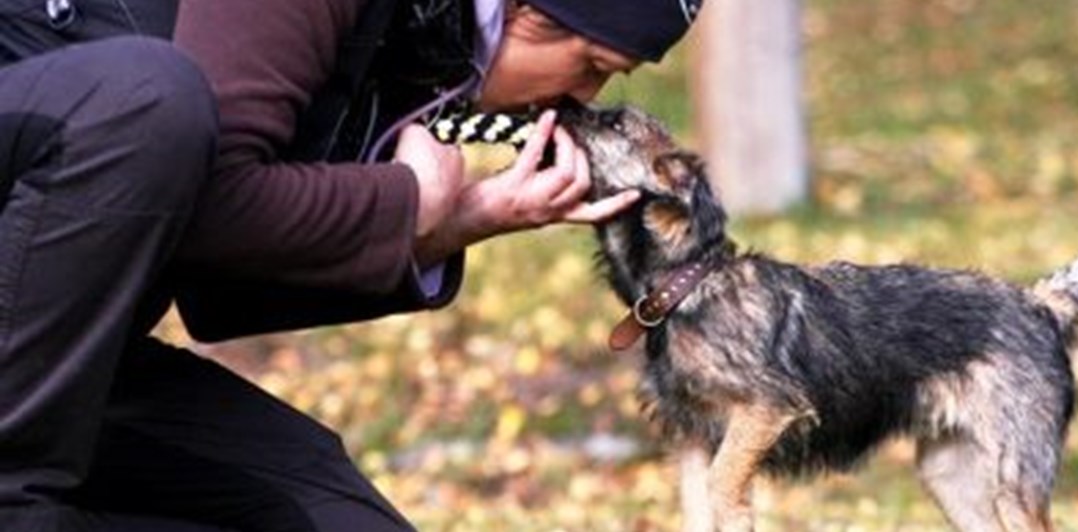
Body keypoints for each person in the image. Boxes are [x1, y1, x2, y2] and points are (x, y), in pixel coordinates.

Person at [0, 0, 702, 530]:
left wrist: (460, 220)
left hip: (61, 349)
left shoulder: (414, 36)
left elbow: (212, 278)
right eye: (594, 67)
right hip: (25, 377)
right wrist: (406, 202)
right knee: (145, 97)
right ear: (526, 10)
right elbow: (208, 200)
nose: (583, 100)